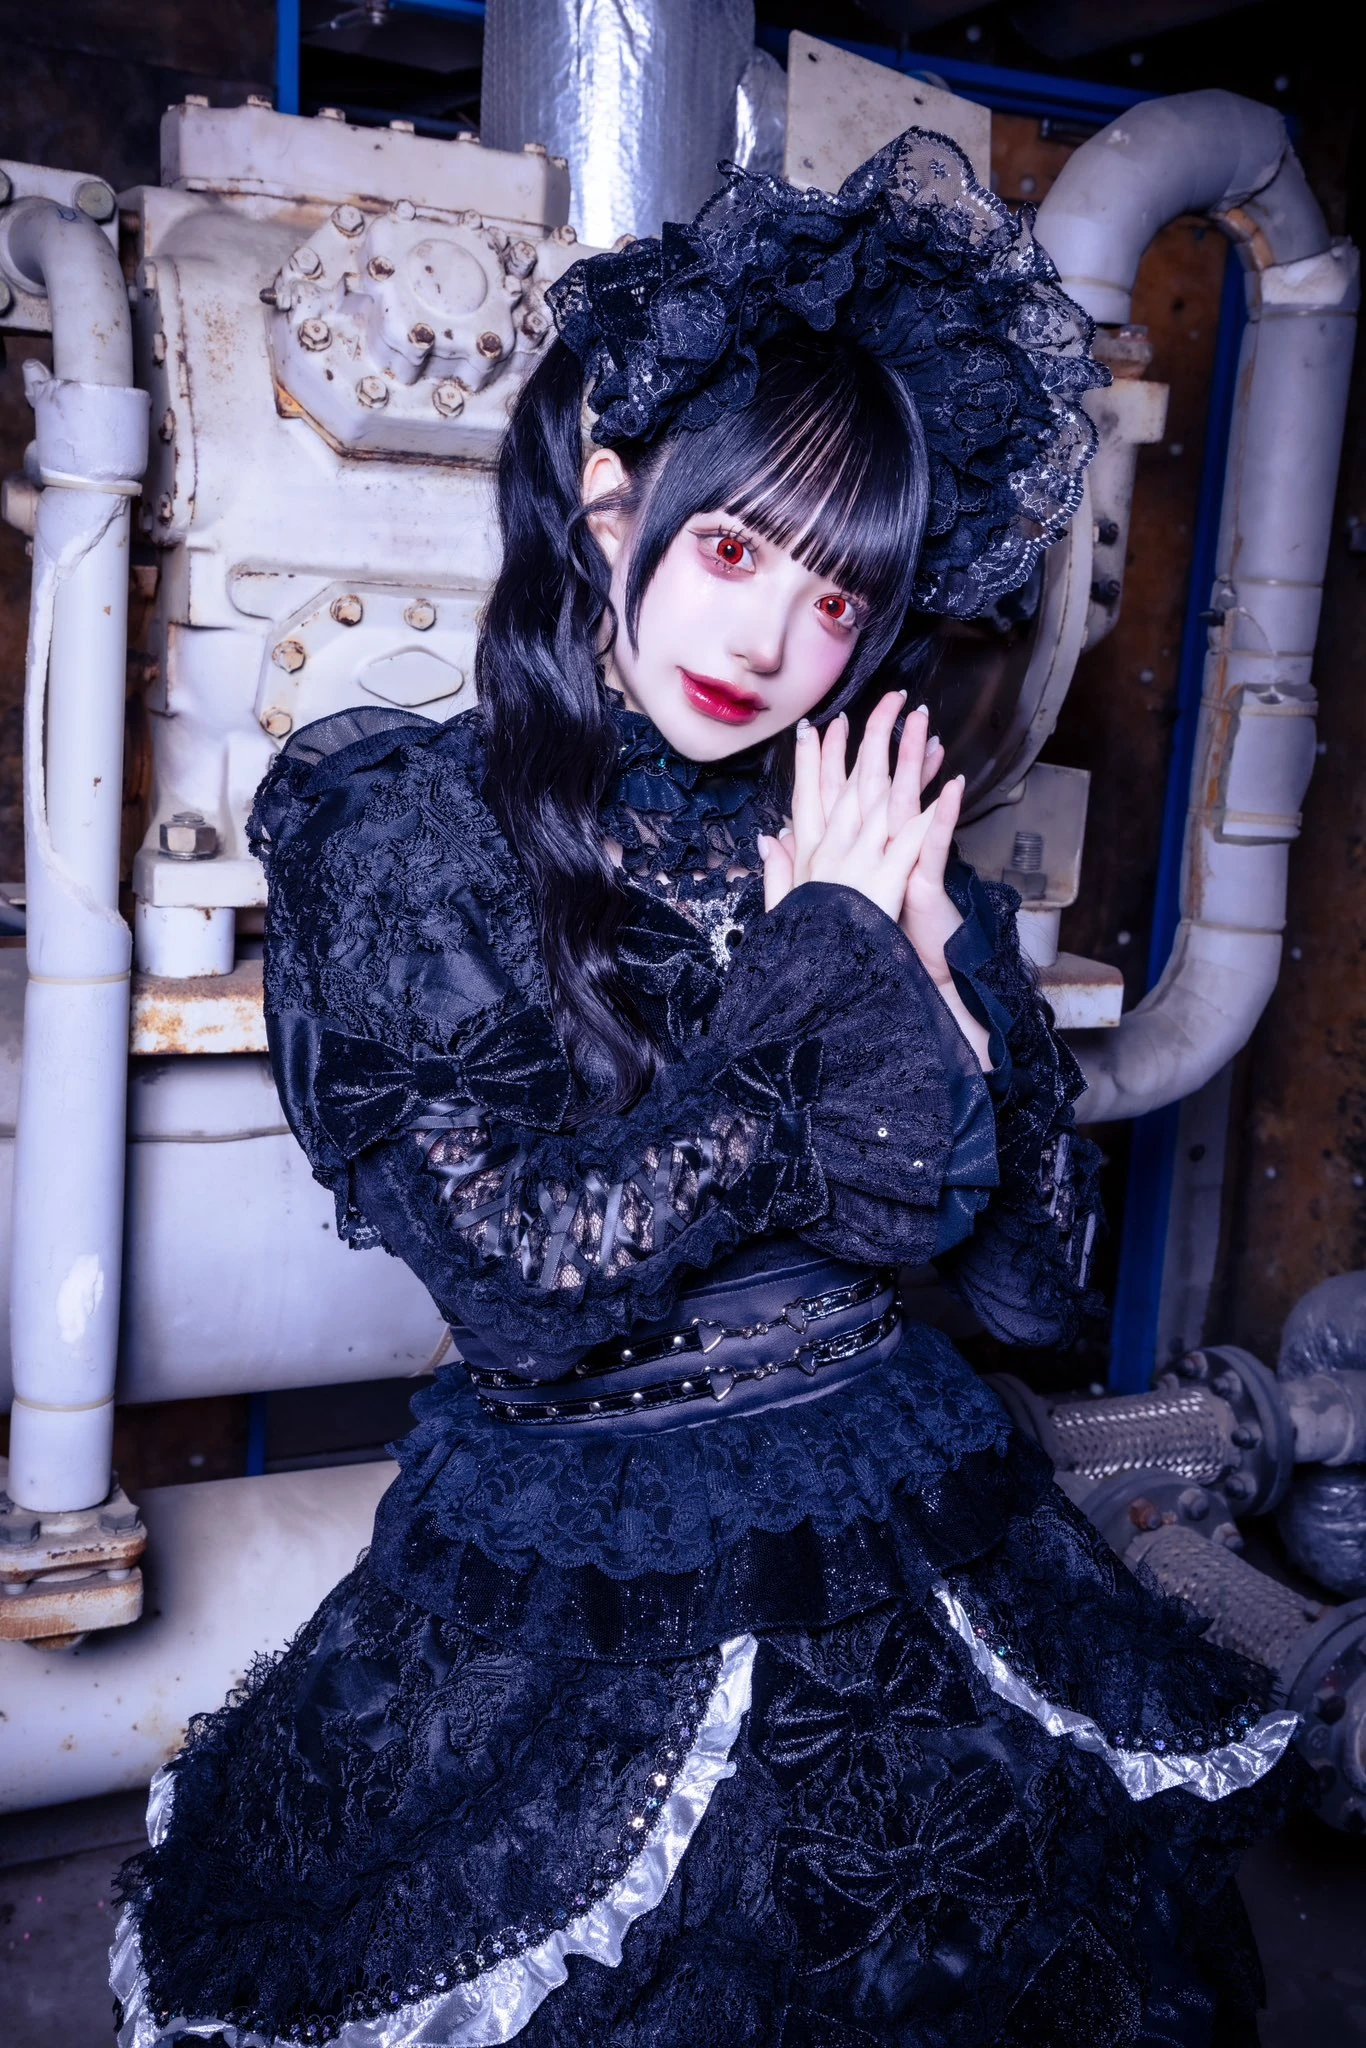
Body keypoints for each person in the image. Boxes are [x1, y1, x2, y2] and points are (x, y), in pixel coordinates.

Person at [112, 130, 1300, 2048]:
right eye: (736, 551)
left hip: (911, 1488)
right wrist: (826, 959)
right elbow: (521, 1283)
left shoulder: (860, 828)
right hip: (580, 1549)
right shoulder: (409, 830)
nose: (770, 642)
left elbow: (1024, 1296)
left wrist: (941, 977)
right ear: (609, 507)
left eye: (836, 599)